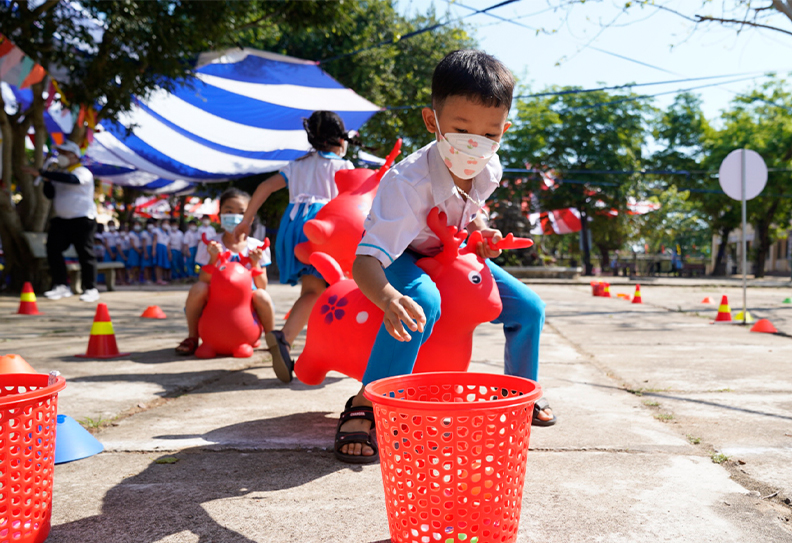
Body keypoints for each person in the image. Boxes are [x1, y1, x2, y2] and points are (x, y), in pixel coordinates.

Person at [335, 50, 554, 463]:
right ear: (431, 120)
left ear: (504, 129)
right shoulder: (407, 182)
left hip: (450, 250)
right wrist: (388, 297)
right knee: (422, 301)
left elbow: (471, 212)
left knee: (530, 308)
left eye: (489, 134)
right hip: (402, 254)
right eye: (462, 129)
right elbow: (365, 260)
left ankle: (519, 394)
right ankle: (366, 402)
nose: (475, 143)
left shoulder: (490, 166)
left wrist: (481, 231)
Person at [234, 111, 354, 381]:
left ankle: (287, 339)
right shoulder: (343, 166)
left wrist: (246, 220)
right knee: (343, 289)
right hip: (326, 227)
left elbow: (265, 187)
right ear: (340, 139)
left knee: (313, 290)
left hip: (295, 227)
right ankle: (332, 347)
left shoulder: (297, 165)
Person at [175, 188, 277, 356]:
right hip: (217, 298)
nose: (235, 216)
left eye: (241, 213)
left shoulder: (258, 247)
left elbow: (262, 285)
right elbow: (204, 280)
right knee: (198, 288)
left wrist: (255, 263)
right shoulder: (209, 245)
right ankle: (192, 337)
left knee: (262, 296)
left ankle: (273, 340)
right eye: (229, 211)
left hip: (245, 300)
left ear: (250, 218)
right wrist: (213, 259)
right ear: (220, 215)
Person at [22, 141, 100, 302]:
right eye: (60, 153)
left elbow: (72, 180)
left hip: (83, 219)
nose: (61, 157)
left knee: (85, 253)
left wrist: (44, 173)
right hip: (62, 220)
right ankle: (61, 285)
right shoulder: (57, 174)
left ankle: (90, 288)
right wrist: (47, 180)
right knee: (53, 249)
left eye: (65, 153)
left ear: (74, 156)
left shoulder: (82, 172)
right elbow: (50, 194)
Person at [154, 219, 171, 285]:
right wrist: (153, 250)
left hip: (165, 249)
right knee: (158, 264)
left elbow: (168, 244)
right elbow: (155, 241)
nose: (166, 224)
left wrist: (169, 252)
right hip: (159, 248)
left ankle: (161, 279)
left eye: (167, 223)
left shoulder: (167, 233)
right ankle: (158, 279)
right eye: (165, 223)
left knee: (163, 264)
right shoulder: (157, 231)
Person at [140, 220, 156, 284]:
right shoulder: (144, 233)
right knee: (146, 266)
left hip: (152, 249)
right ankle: (146, 279)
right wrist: (145, 253)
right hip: (146, 249)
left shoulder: (153, 232)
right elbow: (144, 243)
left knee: (150, 266)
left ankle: (150, 278)